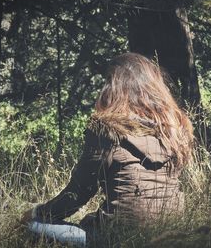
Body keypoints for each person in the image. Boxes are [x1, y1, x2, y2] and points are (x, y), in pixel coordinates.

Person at [21, 52, 194, 246]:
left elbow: (79, 192)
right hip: (170, 232)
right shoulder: (175, 128)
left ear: (114, 86)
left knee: (32, 225)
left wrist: (39, 212)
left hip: (116, 238)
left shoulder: (107, 129)